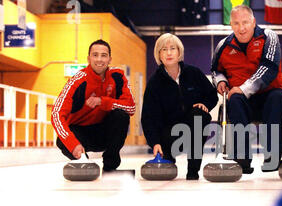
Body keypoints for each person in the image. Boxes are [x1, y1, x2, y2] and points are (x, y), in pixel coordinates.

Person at [211, 4, 282, 173]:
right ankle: (242, 158)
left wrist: (244, 88)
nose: (241, 28)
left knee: (277, 98)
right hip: (242, 101)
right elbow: (216, 70)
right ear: (231, 25)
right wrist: (220, 81)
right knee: (234, 99)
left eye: (245, 22)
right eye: (236, 23)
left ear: (254, 22)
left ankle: (273, 156)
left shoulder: (269, 37)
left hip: (270, 93)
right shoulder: (223, 46)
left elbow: (269, 67)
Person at [141, 33, 217, 180]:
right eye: (164, 49)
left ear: (179, 52)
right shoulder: (154, 83)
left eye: (172, 48)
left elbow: (211, 95)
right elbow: (148, 117)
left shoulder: (193, 73)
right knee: (167, 172)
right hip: (169, 135)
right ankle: (169, 160)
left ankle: (193, 171)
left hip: (191, 129)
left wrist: (205, 104)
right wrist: (154, 142)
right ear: (159, 54)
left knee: (199, 115)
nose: (169, 53)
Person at [52, 39, 135, 172]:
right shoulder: (77, 81)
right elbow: (56, 115)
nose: (99, 59)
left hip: (104, 132)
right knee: (62, 141)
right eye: (95, 55)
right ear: (89, 58)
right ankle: (84, 163)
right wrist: (73, 144)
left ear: (110, 59)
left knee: (121, 115)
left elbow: (131, 107)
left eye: (104, 55)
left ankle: (110, 167)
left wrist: (103, 102)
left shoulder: (118, 76)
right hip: (82, 134)